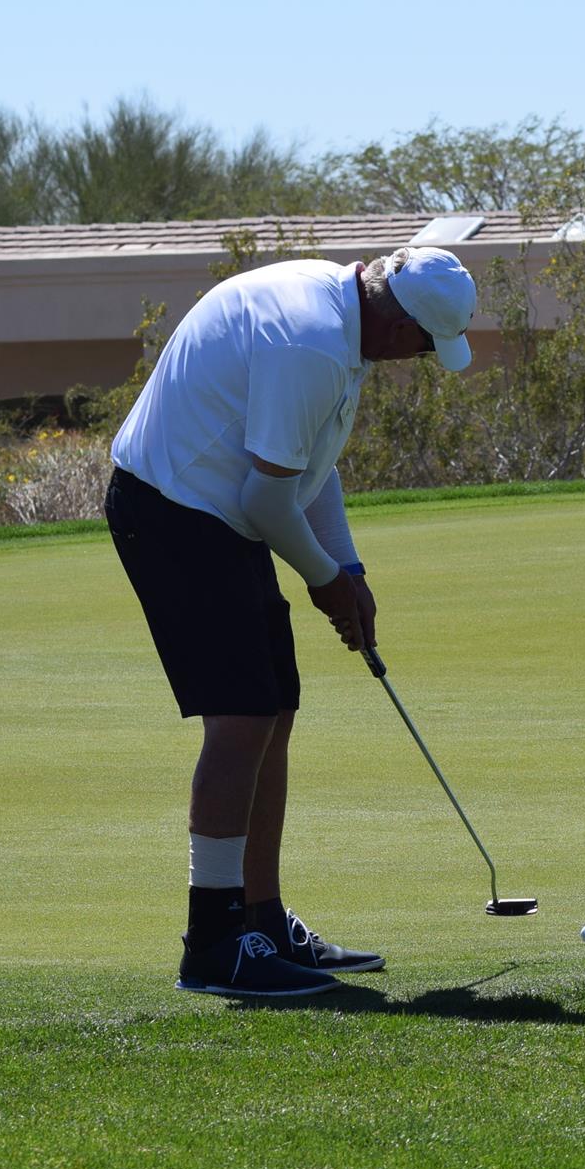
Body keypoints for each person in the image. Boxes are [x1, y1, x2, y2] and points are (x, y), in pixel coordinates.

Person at [104, 246, 478, 998]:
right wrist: (326, 582)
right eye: (422, 347)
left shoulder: (345, 320)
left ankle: (261, 922)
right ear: (397, 322)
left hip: (218, 513)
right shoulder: (311, 341)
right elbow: (266, 500)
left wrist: (349, 569)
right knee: (241, 717)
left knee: (273, 707)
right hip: (173, 508)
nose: (417, 361)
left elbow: (310, 467)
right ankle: (214, 942)